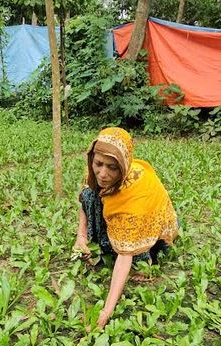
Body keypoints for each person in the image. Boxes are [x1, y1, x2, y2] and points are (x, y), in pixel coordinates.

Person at [74, 127, 179, 329]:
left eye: (112, 167)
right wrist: (80, 237)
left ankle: (145, 257)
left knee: (133, 252)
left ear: (123, 165)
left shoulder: (136, 197)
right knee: (89, 194)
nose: (103, 173)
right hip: (124, 212)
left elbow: (123, 258)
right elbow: (83, 205)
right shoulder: (96, 175)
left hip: (150, 225)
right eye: (98, 164)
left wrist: (107, 310)